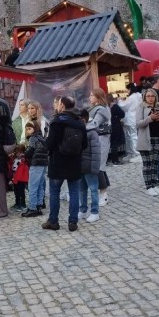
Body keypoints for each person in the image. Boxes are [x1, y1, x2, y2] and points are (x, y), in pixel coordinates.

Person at [42, 96, 87, 232]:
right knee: (74, 192)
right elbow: (84, 144)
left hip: (57, 162)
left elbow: (50, 144)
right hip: (74, 163)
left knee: (54, 192)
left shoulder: (57, 122)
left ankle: (53, 221)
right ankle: (73, 222)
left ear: (62, 105)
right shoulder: (80, 122)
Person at [136, 89, 159, 196]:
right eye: (148, 96)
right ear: (145, 97)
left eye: (152, 96)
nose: (150, 98)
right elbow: (138, 124)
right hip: (146, 140)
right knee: (147, 164)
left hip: (158, 139)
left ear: (156, 97)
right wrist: (149, 118)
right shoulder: (141, 107)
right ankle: (148, 186)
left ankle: (154, 185)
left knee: (155, 163)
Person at [86, 88, 111, 206]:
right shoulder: (94, 109)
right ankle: (103, 193)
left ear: (98, 97)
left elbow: (94, 124)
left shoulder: (101, 110)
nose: (90, 97)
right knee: (99, 167)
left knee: (99, 167)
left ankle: (103, 194)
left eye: (92, 95)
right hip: (96, 140)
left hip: (101, 140)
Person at [78, 109, 101, 223]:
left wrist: (95, 168)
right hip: (80, 165)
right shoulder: (78, 131)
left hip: (89, 165)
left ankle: (95, 212)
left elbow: (96, 152)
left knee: (93, 189)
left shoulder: (92, 133)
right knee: (81, 189)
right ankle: (83, 210)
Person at [22, 120, 48, 217]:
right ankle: (39, 206)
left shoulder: (33, 139)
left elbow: (29, 152)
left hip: (36, 163)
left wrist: (24, 153)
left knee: (32, 186)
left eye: (29, 128)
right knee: (40, 185)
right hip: (43, 164)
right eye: (26, 129)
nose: (27, 131)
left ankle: (32, 207)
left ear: (34, 129)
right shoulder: (41, 138)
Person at [118, 83, 142, 162]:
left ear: (130, 89)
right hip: (134, 118)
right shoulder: (139, 96)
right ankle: (131, 153)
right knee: (130, 136)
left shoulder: (132, 97)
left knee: (132, 136)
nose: (127, 91)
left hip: (131, 118)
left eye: (127, 89)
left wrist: (119, 101)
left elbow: (124, 106)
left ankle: (136, 154)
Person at [108, 94, 126, 165]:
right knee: (114, 143)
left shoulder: (105, 106)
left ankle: (107, 160)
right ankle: (115, 160)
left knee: (109, 143)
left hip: (107, 126)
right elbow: (122, 114)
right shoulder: (114, 106)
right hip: (115, 125)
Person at [10, 144, 29, 212]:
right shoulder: (14, 159)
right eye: (17, 152)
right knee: (16, 191)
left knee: (21, 192)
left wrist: (23, 157)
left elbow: (26, 164)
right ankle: (17, 203)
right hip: (15, 178)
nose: (18, 154)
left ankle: (23, 204)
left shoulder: (23, 160)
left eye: (20, 152)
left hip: (21, 178)